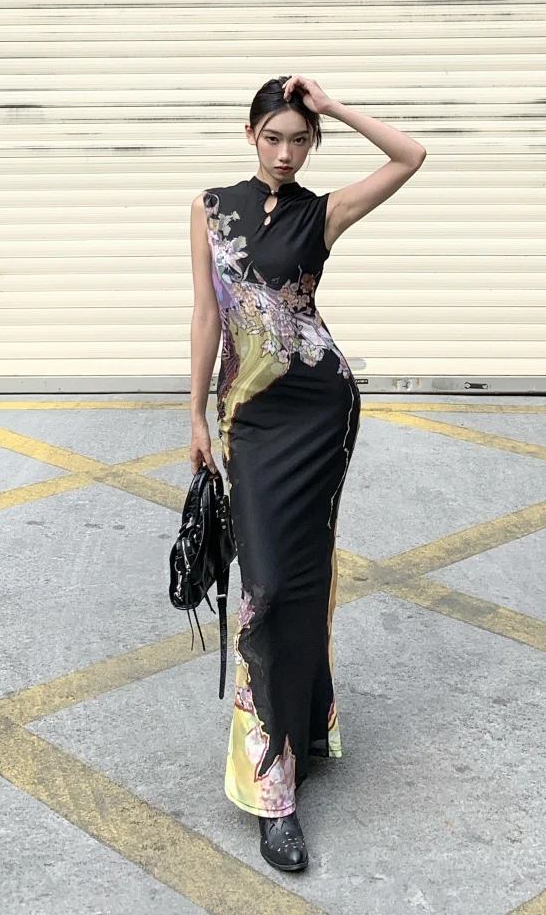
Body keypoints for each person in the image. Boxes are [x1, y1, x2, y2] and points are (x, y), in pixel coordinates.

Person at [188, 75, 426, 872]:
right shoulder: (210, 208)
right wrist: (194, 414)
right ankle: (279, 767)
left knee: (302, 579)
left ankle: (286, 768)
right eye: (274, 137)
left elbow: (410, 156)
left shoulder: (321, 212)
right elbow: (208, 313)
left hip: (321, 411)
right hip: (249, 419)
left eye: (300, 140)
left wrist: (335, 107)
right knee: (264, 592)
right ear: (249, 134)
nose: (287, 154)